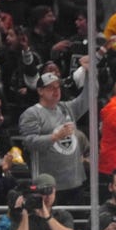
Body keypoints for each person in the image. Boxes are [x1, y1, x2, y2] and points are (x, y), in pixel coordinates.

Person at [17, 65, 90, 206]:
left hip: (75, 182)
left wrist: (89, 73)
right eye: (51, 88)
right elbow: (29, 142)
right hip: (49, 185)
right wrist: (55, 137)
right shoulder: (32, 113)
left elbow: (89, 97)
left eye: (58, 87)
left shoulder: (67, 107)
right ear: (40, 91)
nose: (56, 91)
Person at [8, 173, 76, 230]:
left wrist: (48, 217)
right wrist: (25, 213)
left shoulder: (62, 215)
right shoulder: (20, 216)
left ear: (55, 191)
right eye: (42, 192)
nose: (47, 196)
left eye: (50, 191)